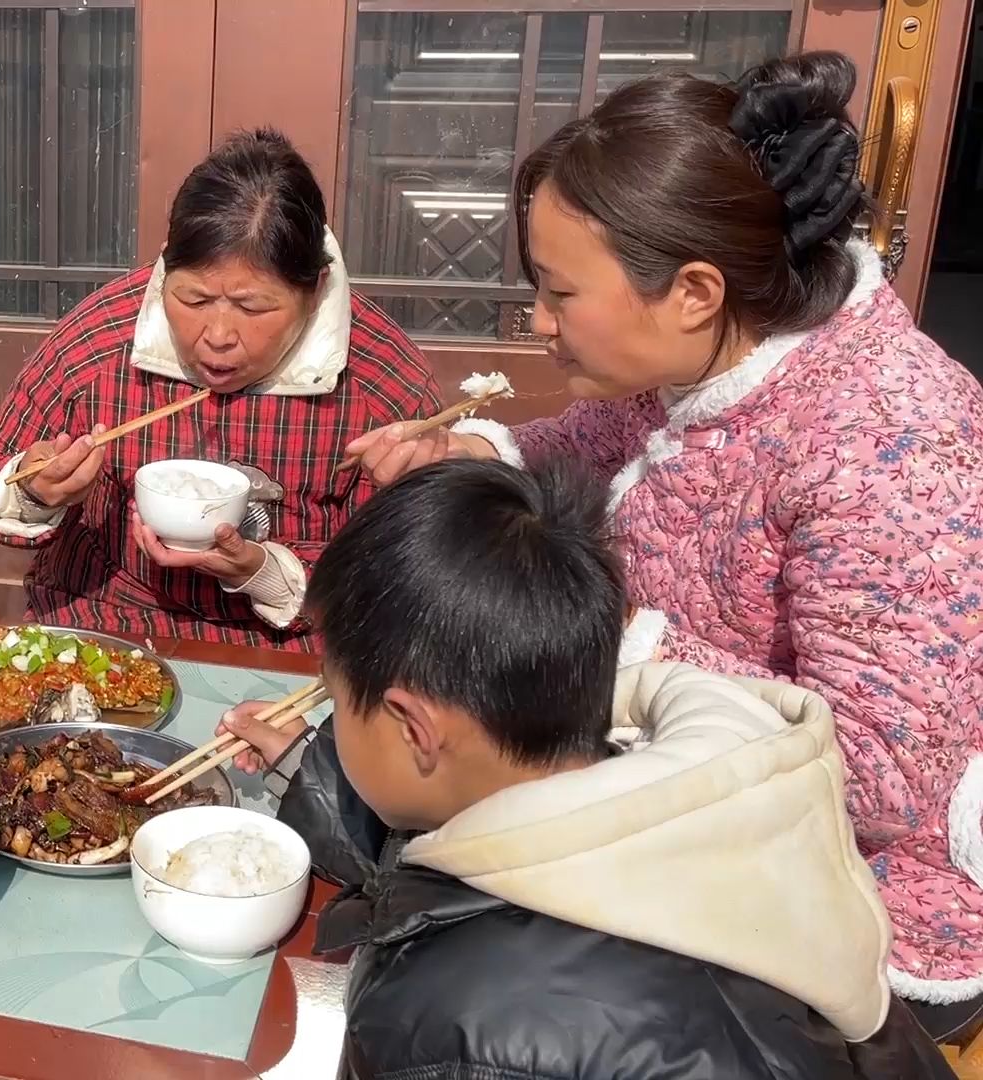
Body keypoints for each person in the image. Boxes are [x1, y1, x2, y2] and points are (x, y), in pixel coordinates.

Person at [340, 52, 983, 1034]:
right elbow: (614, 444)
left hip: (846, 918)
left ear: (691, 288)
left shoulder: (892, 442)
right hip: (683, 800)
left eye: (559, 294)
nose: (540, 325)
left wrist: (621, 633)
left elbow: (883, 775)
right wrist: (478, 447)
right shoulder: (717, 346)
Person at [244, 457, 953, 1077]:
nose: (335, 725)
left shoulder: (460, 1026)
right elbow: (434, 839)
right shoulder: (669, 787)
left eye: (336, 701)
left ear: (415, 729)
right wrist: (310, 774)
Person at [0, 129, 439, 652]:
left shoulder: (381, 383)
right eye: (192, 299)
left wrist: (263, 570)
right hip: (102, 622)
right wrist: (34, 490)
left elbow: (409, 575)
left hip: (286, 650)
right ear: (166, 270)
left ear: (315, 290)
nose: (216, 337)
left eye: (252, 307)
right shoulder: (101, 339)